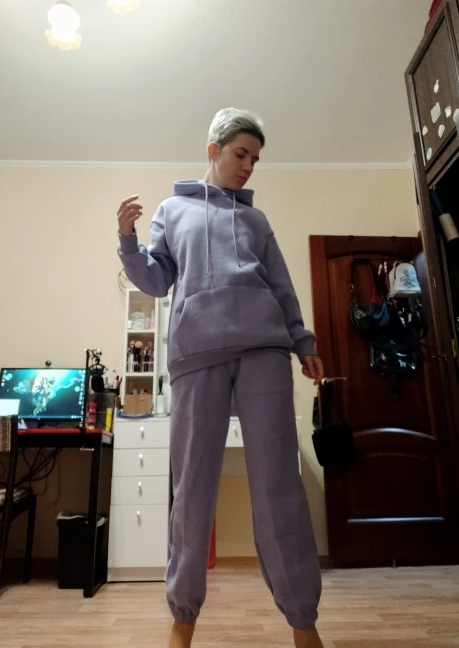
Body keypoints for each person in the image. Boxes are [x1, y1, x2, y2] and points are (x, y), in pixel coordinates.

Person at [116, 108, 325, 648]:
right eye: (240, 154)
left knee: (279, 487)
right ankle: (182, 621)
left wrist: (303, 342)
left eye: (255, 158)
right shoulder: (172, 210)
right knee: (191, 490)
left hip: (264, 352)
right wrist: (127, 239)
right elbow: (156, 280)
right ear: (213, 149)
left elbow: (281, 286)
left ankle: (303, 622)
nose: (249, 165)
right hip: (197, 356)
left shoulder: (256, 221)